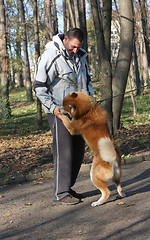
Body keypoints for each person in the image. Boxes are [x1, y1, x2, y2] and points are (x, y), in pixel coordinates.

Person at [34, 28, 93, 205]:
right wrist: (54, 109)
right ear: (66, 39)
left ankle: (68, 187)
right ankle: (60, 193)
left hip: (78, 112)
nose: (75, 50)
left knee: (78, 150)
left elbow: (87, 82)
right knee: (64, 150)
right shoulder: (51, 55)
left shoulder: (81, 56)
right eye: (73, 46)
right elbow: (39, 86)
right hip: (59, 112)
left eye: (78, 47)